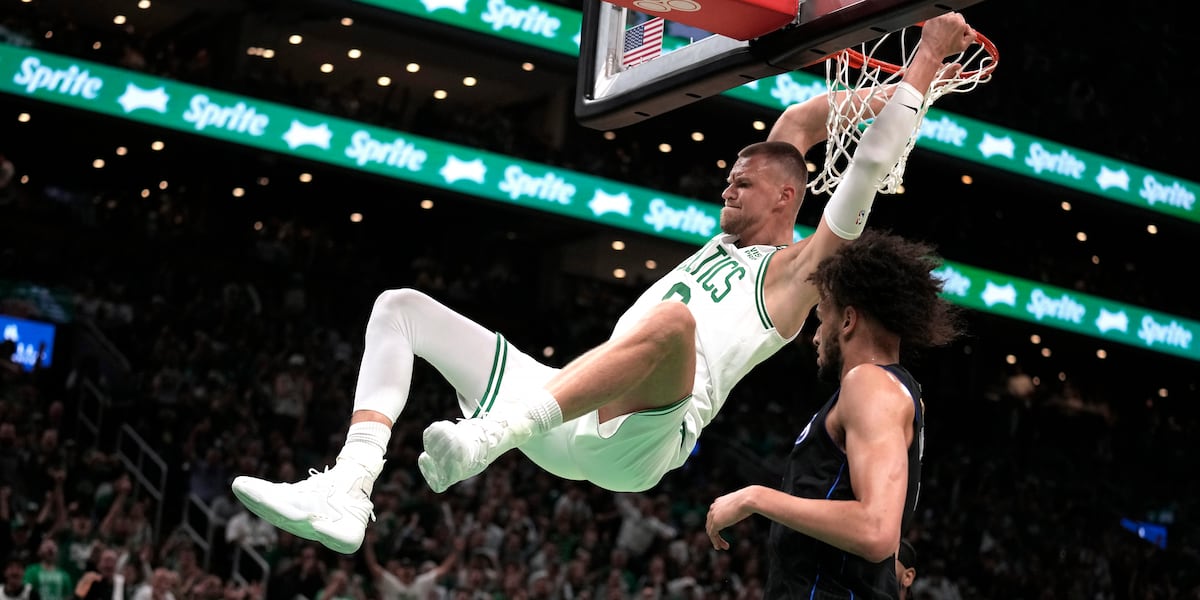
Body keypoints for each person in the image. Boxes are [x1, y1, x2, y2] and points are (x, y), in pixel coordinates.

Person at [230, 13, 979, 555]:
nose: (728, 187)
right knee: (401, 309)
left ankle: (489, 438)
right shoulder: (732, 230)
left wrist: (929, 55)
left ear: (787, 197)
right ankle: (348, 489)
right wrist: (886, 69)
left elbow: (870, 166)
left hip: (645, 438)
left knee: (677, 324)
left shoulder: (797, 273)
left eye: (742, 182)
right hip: (567, 409)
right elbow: (801, 117)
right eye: (728, 178)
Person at [703, 230, 963, 598]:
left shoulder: (869, 384)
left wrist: (756, 497)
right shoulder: (898, 391)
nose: (814, 336)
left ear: (847, 321)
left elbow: (876, 530)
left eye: (821, 317)